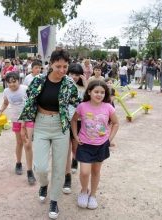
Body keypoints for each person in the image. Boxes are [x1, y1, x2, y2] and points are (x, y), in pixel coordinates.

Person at [18, 49, 80, 219]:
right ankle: (43, 184)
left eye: (65, 66)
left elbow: (76, 103)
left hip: (61, 127)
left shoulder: (69, 83)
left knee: (59, 167)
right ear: (51, 64)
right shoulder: (38, 80)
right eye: (58, 66)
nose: (62, 70)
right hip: (42, 125)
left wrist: (70, 117)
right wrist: (24, 123)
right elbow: (29, 102)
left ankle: (54, 200)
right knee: (41, 167)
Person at [71, 80, 119, 210]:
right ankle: (83, 191)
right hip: (85, 144)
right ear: (89, 92)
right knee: (85, 172)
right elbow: (74, 120)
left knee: (96, 171)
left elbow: (116, 123)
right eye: (96, 92)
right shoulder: (82, 106)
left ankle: (93, 195)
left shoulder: (108, 107)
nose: (99, 95)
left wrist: (109, 139)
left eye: (102, 92)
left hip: (101, 145)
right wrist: (75, 136)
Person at [0, 72, 36, 184]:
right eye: (9, 82)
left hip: (28, 119)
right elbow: (5, 103)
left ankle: (29, 171)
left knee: (27, 144)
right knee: (19, 143)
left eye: (14, 81)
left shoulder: (25, 89)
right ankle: (18, 163)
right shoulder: (6, 91)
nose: (12, 84)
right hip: (15, 120)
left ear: (19, 81)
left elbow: (31, 104)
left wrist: (26, 119)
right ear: (6, 83)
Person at [63, 63, 87, 194]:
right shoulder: (64, 85)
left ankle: (75, 159)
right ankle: (67, 177)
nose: (74, 77)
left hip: (79, 122)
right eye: (71, 74)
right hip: (66, 121)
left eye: (77, 74)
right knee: (66, 149)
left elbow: (91, 99)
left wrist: (86, 82)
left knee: (75, 147)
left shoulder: (83, 89)